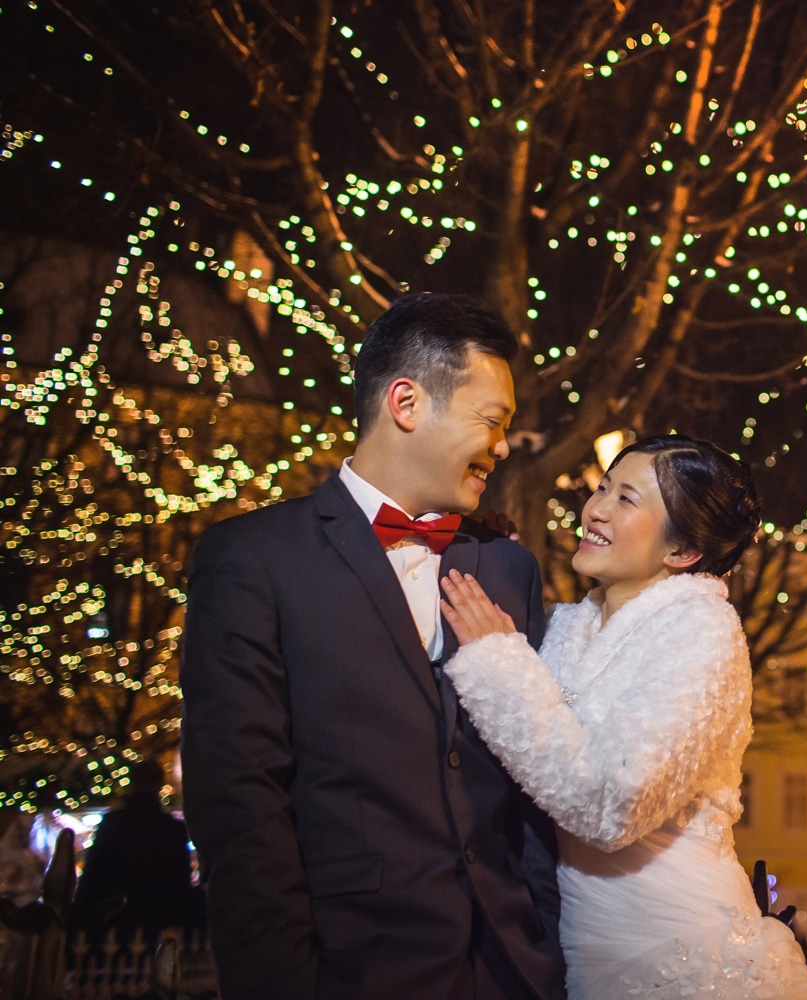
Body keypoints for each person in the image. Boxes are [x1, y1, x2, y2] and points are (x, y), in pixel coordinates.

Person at [181, 293, 566, 1000]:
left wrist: (546, 944)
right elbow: (239, 803)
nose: (504, 446)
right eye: (493, 421)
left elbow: (534, 783)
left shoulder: (510, 567)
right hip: (354, 973)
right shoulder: (255, 559)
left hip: (513, 973)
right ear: (406, 402)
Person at [437, 436, 807, 999]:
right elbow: (537, 726)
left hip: (683, 955)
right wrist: (497, 561)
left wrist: (496, 662)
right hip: (578, 951)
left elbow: (612, 804)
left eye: (627, 499)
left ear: (684, 551)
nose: (595, 509)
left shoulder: (704, 632)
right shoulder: (573, 625)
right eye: (602, 487)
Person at [73, 759, 193, 945]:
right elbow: (180, 880)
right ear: (159, 785)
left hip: (113, 916)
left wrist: (83, 911)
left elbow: (94, 873)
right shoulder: (172, 829)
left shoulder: (113, 823)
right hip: (155, 916)